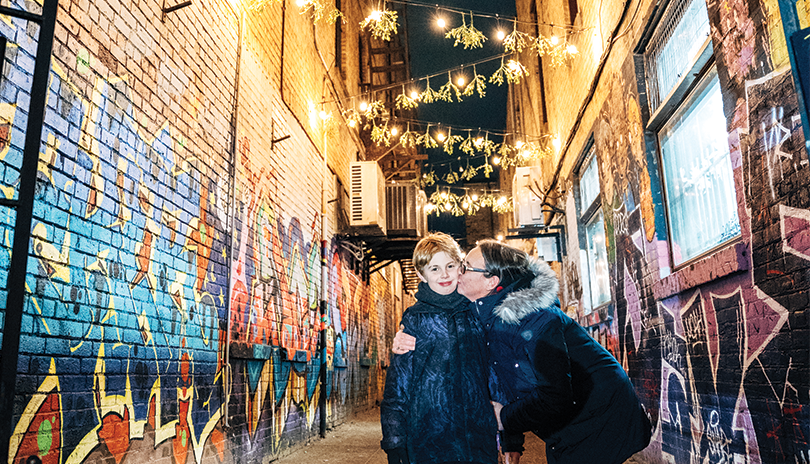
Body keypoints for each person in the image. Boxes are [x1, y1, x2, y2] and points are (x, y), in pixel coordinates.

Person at [394, 239, 652, 464]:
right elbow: (497, 375)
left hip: (601, 418)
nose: (456, 274)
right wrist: (407, 336)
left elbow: (555, 395)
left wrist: (505, 419)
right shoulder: (489, 314)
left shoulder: (536, 320)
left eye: (464, 267)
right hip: (570, 424)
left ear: (491, 281)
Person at [380, 233, 498, 464]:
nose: (444, 275)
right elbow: (398, 387)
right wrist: (394, 442)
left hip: (477, 437)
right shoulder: (415, 319)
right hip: (429, 438)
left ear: (460, 267)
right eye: (434, 269)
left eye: (450, 266)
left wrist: (510, 436)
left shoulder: (477, 311)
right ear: (421, 275)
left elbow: (494, 370)